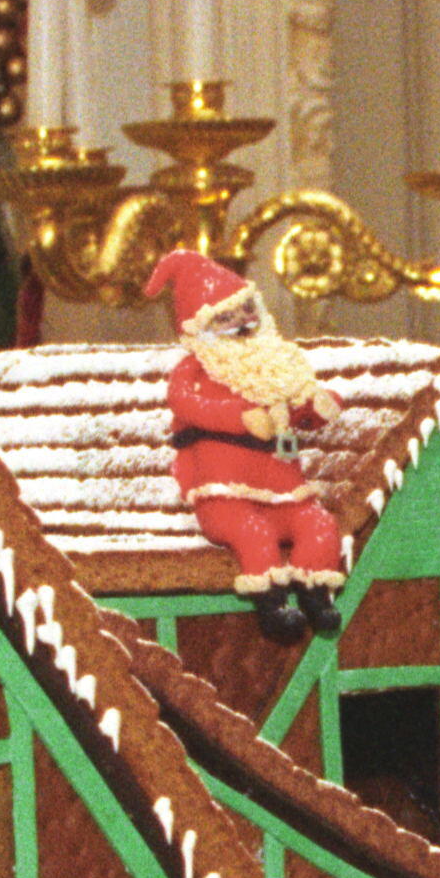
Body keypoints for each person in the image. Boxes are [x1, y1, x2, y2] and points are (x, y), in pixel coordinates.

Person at [153, 249, 348, 637]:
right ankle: (272, 607)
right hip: (226, 497)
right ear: (200, 329)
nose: (241, 324)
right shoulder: (195, 370)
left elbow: (296, 414)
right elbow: (187, 404)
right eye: (224, 318)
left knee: (319, 525)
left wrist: (317, 407)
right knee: (252, 534)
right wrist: (239, 417)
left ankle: (314, 595)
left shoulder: (276, 367)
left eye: (245, 310)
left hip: (285, 493)